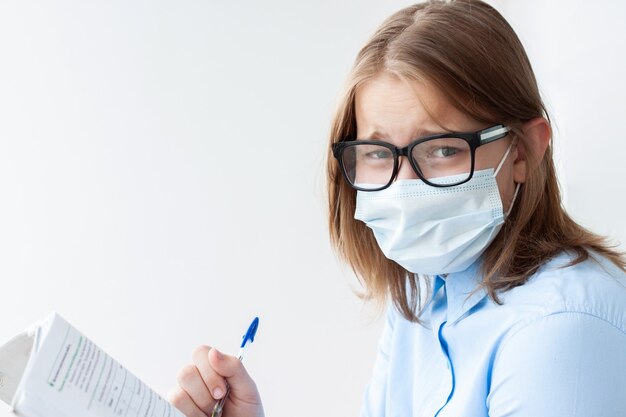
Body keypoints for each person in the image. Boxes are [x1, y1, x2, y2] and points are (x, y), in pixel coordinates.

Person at [167, 1, 626, 416]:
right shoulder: (423, 302)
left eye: (443, 149)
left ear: (524, 151)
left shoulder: (563, 330)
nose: (405, 188)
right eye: (378, 152)